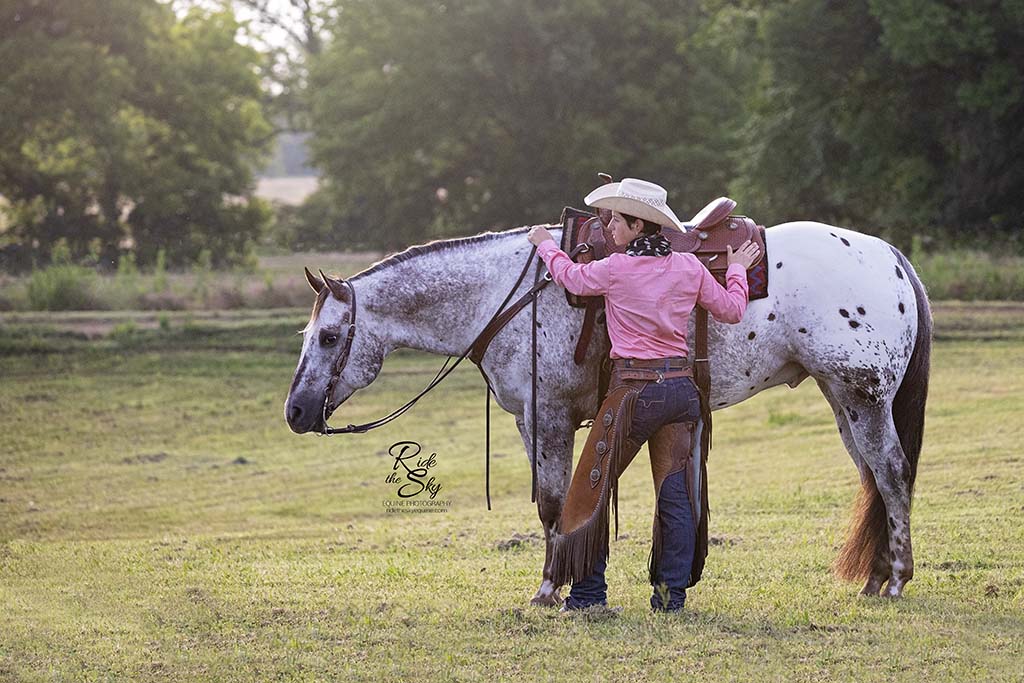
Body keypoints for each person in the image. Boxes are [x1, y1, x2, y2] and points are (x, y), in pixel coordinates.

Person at [526, 177, 760, 612]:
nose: (610, 227)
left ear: (637, 225)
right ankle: (671, 598)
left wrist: (544, 242)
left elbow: (570, 278)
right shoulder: (689, 267)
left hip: (633, 393)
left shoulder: (615, 269)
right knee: (674, 497)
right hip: (681, 392)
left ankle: (588, 595)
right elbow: (731, 310)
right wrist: (736, 270)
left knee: (586, 493)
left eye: (616, 220)